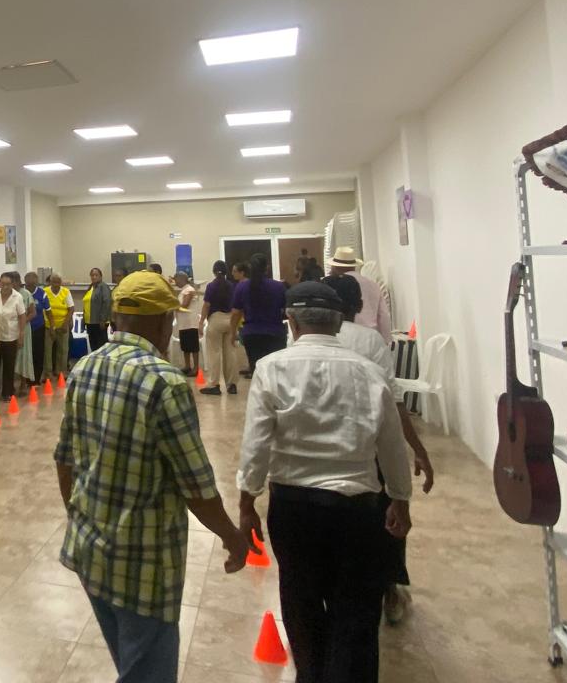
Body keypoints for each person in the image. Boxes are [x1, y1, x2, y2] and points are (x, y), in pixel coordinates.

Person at [56, 271, 248, 680]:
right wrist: (231, 535)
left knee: (130, 664)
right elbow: (195, 485)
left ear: (116, 318)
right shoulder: (165, 381)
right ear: (163, 322)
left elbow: (64, 459)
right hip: (142, 564)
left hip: (89, 550)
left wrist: (80, 518)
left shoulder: (84, 367)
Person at [236, 281, 413, 683]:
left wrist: (247, 503)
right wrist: (400, 500)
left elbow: (256, 444)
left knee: (301, 605)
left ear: (292, 322)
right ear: (337, 323)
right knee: (357, 613)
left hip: (294, 510)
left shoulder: (271, 368)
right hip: (358, 512)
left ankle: (311, 675)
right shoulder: (369, 373)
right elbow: (391, 446)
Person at [321, 273, 435, 625]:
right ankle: (390, 587)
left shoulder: (307, 338)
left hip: (325, 445)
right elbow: (393, 402)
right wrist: (417, 448)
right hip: (369, 444)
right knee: (388, 519)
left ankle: (335, 589)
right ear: (358, 305)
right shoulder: (370, 340)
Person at [231, 253, 287, 380]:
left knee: (257, 373)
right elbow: (285, 310)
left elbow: (235, 313)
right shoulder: (278, 286)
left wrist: (233, 332)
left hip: (252, 334)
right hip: (275, 333)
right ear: (267, 268)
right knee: (276, 374)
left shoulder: (242, 287)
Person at [328, 247, 392, 339]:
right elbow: (383, 315)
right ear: (354, 266)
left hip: (343, 336)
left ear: (334, 267)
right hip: (370, 336)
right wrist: (386, 340)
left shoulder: (335, 285)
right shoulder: (373, 285)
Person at [199, 260, 240, 395]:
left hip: (216, 319)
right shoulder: (231, 286)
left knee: (214, 353)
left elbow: (207, 305)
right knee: (230, 352)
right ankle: (232, 384)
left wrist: (201, 322)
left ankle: (214, 385)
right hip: (230, 319)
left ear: (214, 271)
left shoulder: (211, 286)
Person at [0, 272, 27, 401]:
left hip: (11, 336)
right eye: (3, 284)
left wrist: (21, 334)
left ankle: (8, 392)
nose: (5, 287)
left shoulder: (17, 297)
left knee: (9, 366)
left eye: (8, 284)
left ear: (12, 284)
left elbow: (22, 316)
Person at [43, 273, 75, 379]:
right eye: (54, 282)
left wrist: (66, 324)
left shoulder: (66, 292)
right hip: (48, 325)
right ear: (50, 282)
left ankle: (61, 372)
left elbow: (71, 309)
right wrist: (52, 326)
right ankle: (48, 373)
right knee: (48, 350)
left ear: (61, 282)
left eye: (58, 282)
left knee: (63, 350)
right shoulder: (45, 291)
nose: (56, 284)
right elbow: (45, 309)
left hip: (63, 325)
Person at [10, 271, 38, 393]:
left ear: (17, 281)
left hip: (24, 329)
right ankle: (10, 385)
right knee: (11, 356)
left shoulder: (25, 294)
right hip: (10, 329)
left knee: (23, 356)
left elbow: (33, 313)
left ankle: (23, 383)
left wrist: (22, 321)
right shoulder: (7, 294)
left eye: (12, 282)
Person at [173, 272, 202, 376]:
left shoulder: (189, 290)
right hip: (183, 324)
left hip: (190, 323)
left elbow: (185, 305)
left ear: (181, 279)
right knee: (185, 347)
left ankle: (196, 368)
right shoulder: (183, 290)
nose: (175, 282)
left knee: (193, 347)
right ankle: (187, 366)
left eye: (176, 280)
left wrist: (173, 306)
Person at [25, 271, 49, 385]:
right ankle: (27, 378)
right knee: (27, 354)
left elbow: (48, 311)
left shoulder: (42, 293)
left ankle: (36, 378)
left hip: (38, 327)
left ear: (36, 282)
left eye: (32, 284)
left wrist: (52, 326)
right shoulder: (21, 293)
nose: (30, 286)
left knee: (38, 353)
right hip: (25, 328)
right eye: (28, 284)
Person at [82, 267, 112, 351]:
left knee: (101, 346)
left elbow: (107, 303)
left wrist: (103, 319)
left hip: (99, 322)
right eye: (92, 275)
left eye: (96, 275)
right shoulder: (91, 287)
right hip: (90, 322)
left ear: (101, 276)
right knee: (93, 346)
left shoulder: (103, 286)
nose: (94, 277)